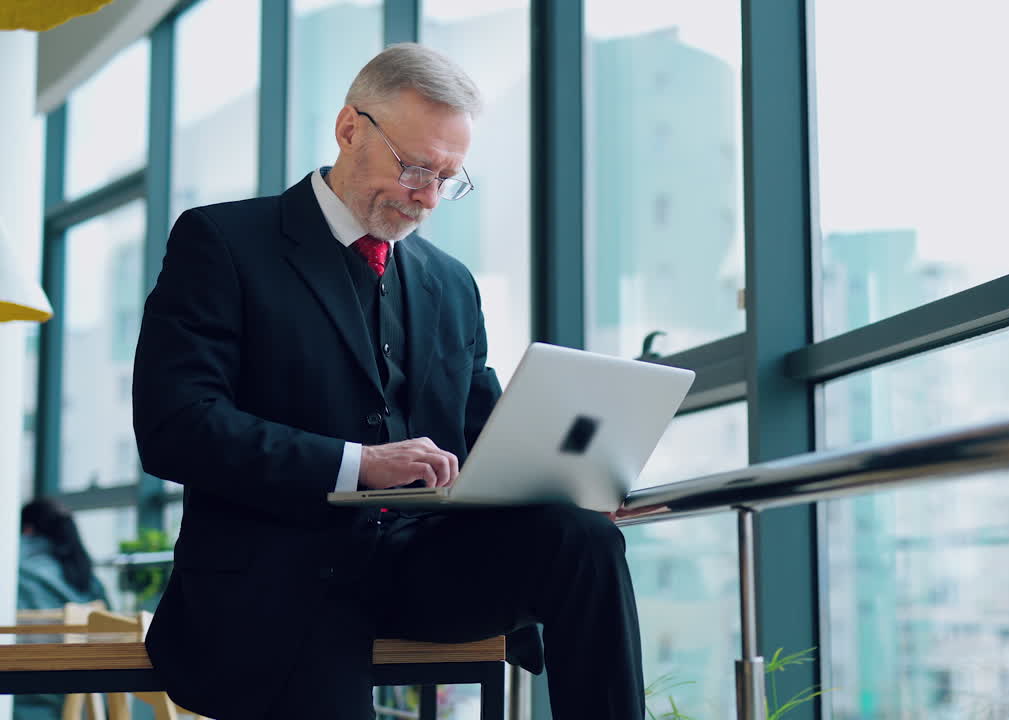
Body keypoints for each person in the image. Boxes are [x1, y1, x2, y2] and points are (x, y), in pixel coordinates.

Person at [131, 43, 643, 719]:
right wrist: (359, 465)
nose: (428, 198)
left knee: (585, 541)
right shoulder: (223, 242)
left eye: (448, 179)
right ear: (349, 130)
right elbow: (176, 427)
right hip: (285, 578)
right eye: (413, 169)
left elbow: (484, 435)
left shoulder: (451, 284)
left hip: (423, 567)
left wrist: (572, 480)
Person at [15, 499, 109, 720]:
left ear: (27, 530)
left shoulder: (14, 568)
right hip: (84, 700)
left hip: (21, 694)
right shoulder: (88, 581)